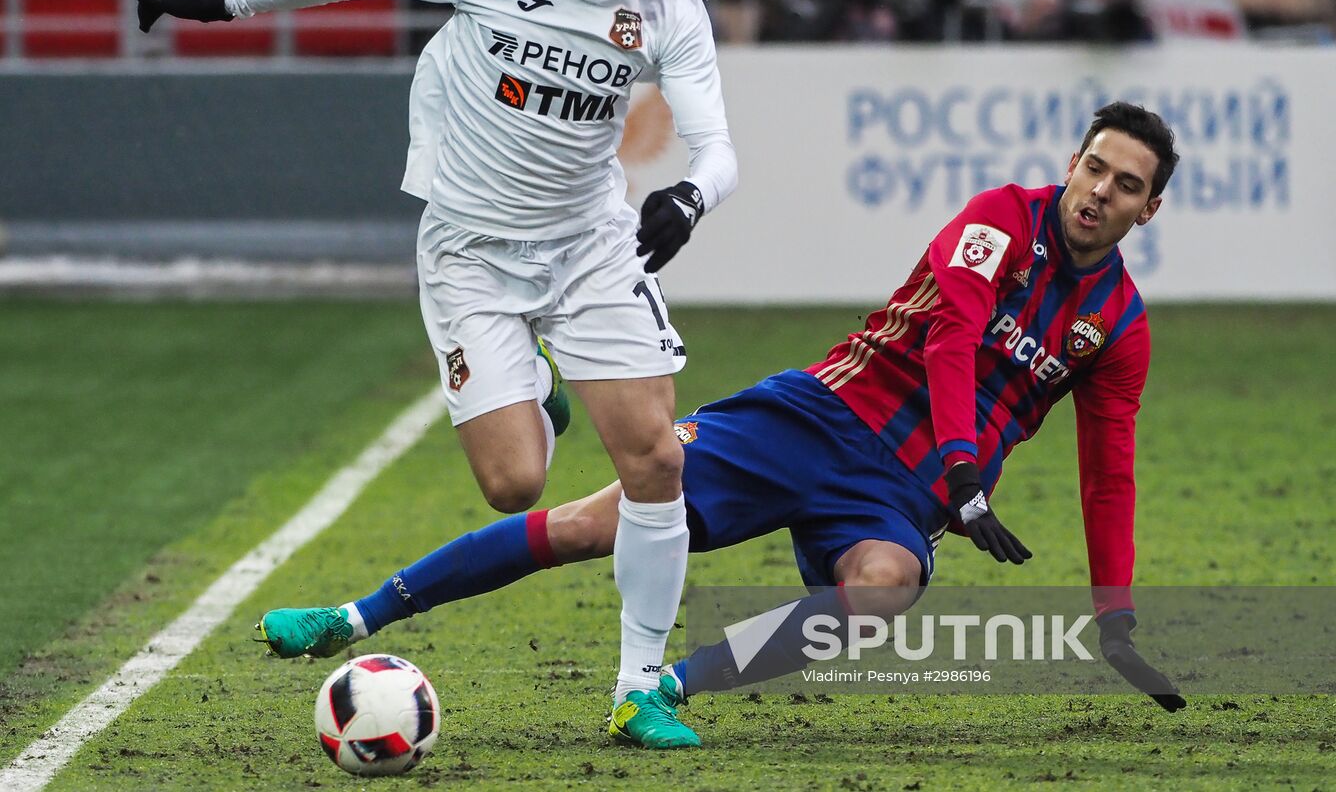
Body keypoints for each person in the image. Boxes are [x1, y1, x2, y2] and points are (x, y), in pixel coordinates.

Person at [254, 102, 1188, 740]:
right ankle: (354, 616)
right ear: (1072, 164)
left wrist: (1114, 617)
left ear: (1148, 209)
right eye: (1094, 168)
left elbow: (1110, 470)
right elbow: (951, 342)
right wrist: (963, 471)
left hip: (901, 491)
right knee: (592, 525)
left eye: (1126, 185)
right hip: (816, 418)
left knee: (883, 590)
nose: (1100, 192)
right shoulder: (997, 219)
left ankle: (663, 689)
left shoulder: (1121, 325)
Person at [137, 0, 738, 750]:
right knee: (514, 485)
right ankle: (537, 384)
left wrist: (693, 197)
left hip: (589, 246)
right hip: (471, 250)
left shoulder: (668, 5)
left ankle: (635, 690)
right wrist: (222, 1)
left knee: (657, 461)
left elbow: (716, 142)